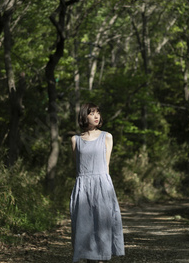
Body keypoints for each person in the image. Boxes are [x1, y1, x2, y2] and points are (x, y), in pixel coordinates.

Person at [69, 103, 125, 263]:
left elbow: (106, 165)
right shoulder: (75, 140)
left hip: (102, 186)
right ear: (84, 116)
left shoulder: (107, 136)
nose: (96, 116)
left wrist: (105, 188)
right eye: (92, 113)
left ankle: (101, 259)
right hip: (83, 187)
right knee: (84, 228)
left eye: (98, 113)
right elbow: (77, 166)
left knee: (102, 227)